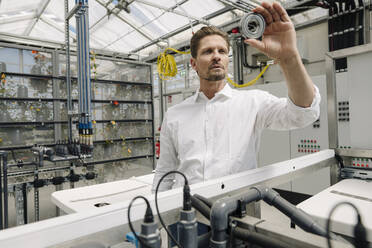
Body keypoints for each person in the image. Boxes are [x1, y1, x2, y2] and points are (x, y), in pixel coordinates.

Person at [152, 2, 320, 192]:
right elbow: (164, 172)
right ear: (194, 63)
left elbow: (303, 113)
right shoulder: (175, 115)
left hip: (239, 212)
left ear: (227, 60)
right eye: (208, 51)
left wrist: (289, 58)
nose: (216, 56)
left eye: (222, 51)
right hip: (189, 214)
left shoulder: (253, 103)